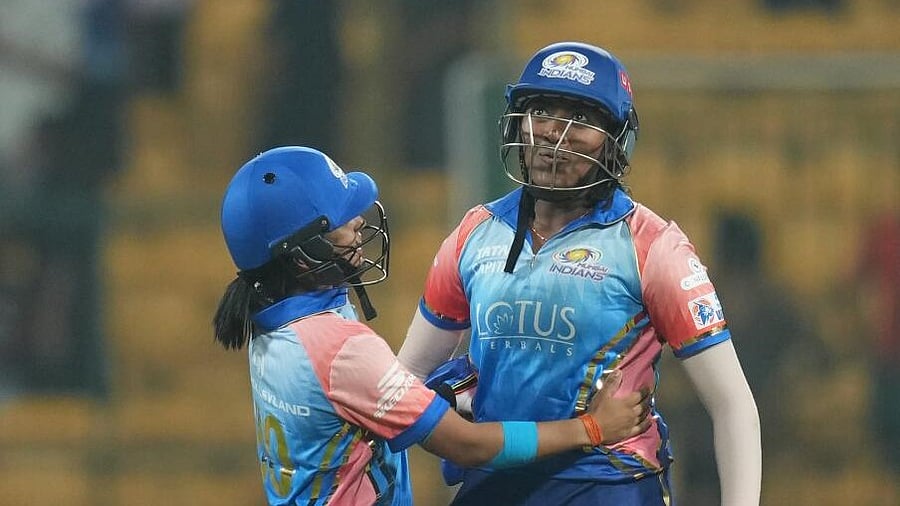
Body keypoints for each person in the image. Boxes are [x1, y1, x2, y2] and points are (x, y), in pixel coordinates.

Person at [397, 42, 762, 505]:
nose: (556, 132)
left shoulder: (653, 247)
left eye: (583, 118)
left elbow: (732, 404)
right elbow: (406, 377)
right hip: (492, 482)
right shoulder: (474, 233)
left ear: (617, 140)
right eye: (543, 109)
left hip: (608, 485)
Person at [212, 146, 653, 505]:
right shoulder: (340, 346)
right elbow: (466, 446)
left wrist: (432, 396)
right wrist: (590, 429)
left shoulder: (274, 322)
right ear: (299, 254)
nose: (358, 222)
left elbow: (348, 407)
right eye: (338, 222)